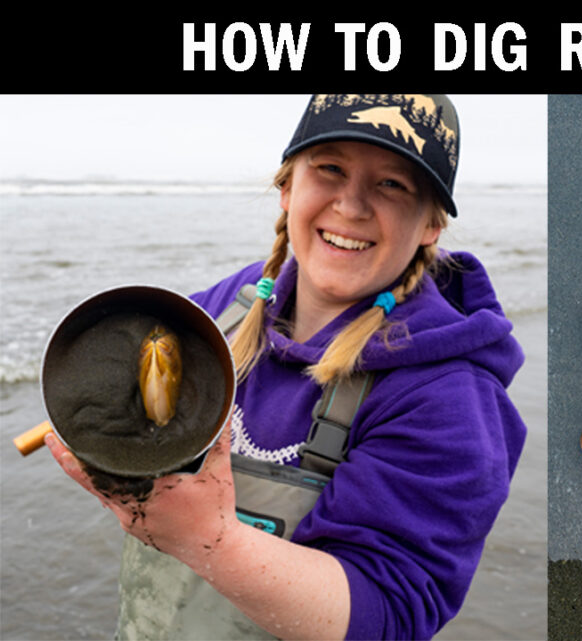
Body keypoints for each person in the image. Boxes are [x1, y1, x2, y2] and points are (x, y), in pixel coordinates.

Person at [44, 94, 527, 640]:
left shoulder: (449, 396)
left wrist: (208, 539)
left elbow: (388, 614)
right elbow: (128, 376)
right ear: (287, 186)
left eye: (392, 184)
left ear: (430, 225)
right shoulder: (231, 307)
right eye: (330, 169)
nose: (351, 205)